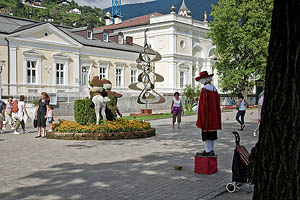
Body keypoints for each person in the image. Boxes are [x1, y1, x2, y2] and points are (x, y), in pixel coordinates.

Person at [195, 71, 221, 156]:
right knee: (212, 134)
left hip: (207, 116)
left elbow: (203, 105)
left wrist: (200, 114)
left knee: (206, 134)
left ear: (204, 80)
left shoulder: (204, 90)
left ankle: (207, 150)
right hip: (214, 115)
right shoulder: (214, 89)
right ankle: (212, 150)